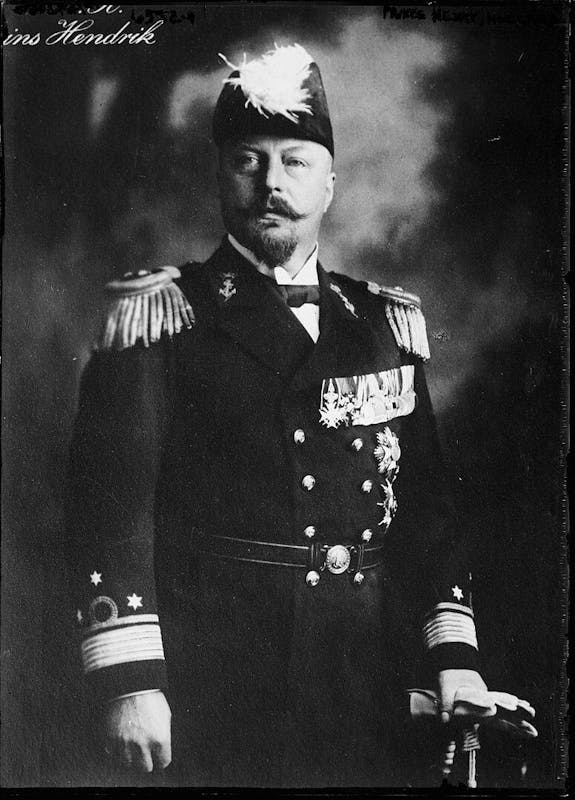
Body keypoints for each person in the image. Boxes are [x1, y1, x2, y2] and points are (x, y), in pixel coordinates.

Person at [68, 43, 487, 787]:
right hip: (214, 678)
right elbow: (110, 509)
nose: (271, 183)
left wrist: (453, 654)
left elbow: (428, 508)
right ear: (219, 176)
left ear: (328, 184)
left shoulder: (382, 325)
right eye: (248, 161)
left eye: (295, 162)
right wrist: (131, 682)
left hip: (364, 675)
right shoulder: (161, 321)